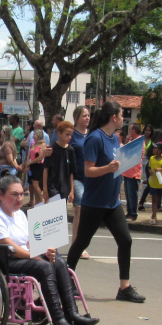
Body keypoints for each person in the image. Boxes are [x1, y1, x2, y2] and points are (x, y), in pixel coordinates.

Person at [0, 174, 97, 325]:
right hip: (3, 260)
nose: (19, 198)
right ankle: (58, 321)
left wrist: (45, 250)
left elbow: (29, 241)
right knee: (44, 266)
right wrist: (34, 255)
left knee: (59, 262)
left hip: (22, 255)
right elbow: (10, 247)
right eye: (14, 194)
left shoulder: (19, 213)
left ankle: (72, 314)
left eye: (22, 194)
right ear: (0, 194)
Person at [66, 100, 146, 302]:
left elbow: (116, 165)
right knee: (81, 242)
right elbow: (87, 171)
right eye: (121, 115)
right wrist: (108, 169)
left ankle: (124, 287)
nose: (123, 118)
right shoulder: (95, 138)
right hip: (95, 202)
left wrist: (121, 167)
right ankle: (66, 280)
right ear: (114, 117)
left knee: (125, 240)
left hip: (112, 202)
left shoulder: (114, 139)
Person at [70, 106, 91, 259]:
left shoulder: (92, 135)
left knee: (87, 212)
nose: (87, 118)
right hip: (76, 176)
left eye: (88, 115)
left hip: (91, 178)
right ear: (76, 118)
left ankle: (78, 244)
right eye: (84, 115)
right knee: (80, 209)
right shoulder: (72, 135)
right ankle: (77, 245)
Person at [147, 142, 162, 224]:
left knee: (158, 199)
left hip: (160, 183)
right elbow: (149, 167)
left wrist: (160, 169)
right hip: (153, 182)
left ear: (160, 151)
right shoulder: (152, 158)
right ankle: (154, 216)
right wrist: (150, 172)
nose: (154, 150)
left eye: (156, 148)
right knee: (154, 199)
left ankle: (154, 214)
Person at [138, 124, 155, 211]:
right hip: (140, 160)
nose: (147, 132)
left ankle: (142, 198)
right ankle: (138, 197)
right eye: (146, 130)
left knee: (146, 181)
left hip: (148, 161)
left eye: (149, 130)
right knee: (138, 179)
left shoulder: (152, 140)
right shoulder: (141, 139)